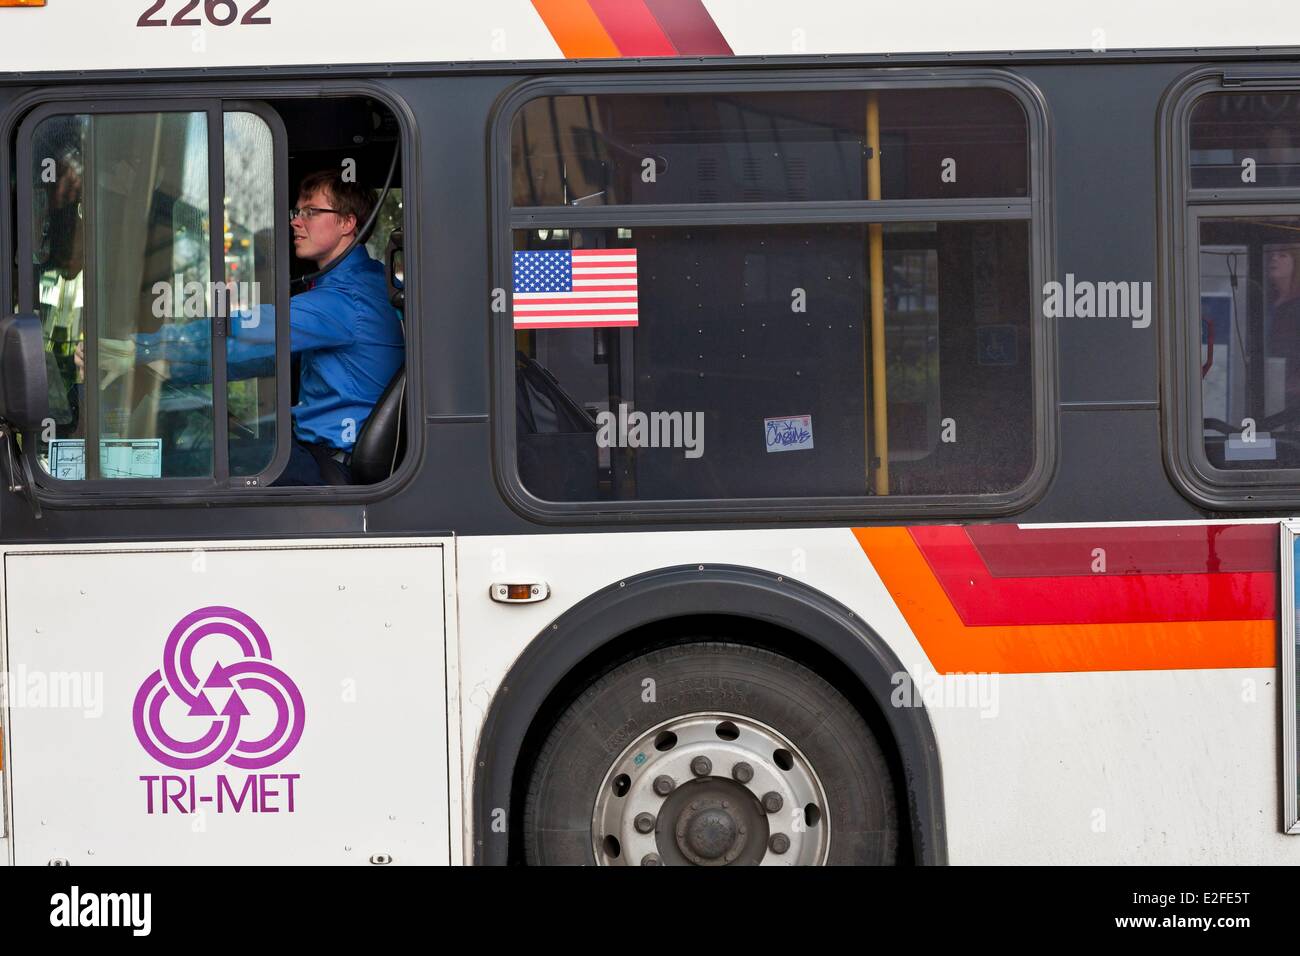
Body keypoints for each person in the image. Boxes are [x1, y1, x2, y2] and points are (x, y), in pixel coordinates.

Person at [84, 171, 404, 485]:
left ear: (347, 223)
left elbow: (242, 329)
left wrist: (144, 347)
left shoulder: (346, 301)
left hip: (332, 463)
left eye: (311, 212)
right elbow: (265, 358)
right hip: (324, 454)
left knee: (182, 467)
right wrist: (172, 371)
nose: (295, 221)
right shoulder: (365, 284)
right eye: (297, 211)